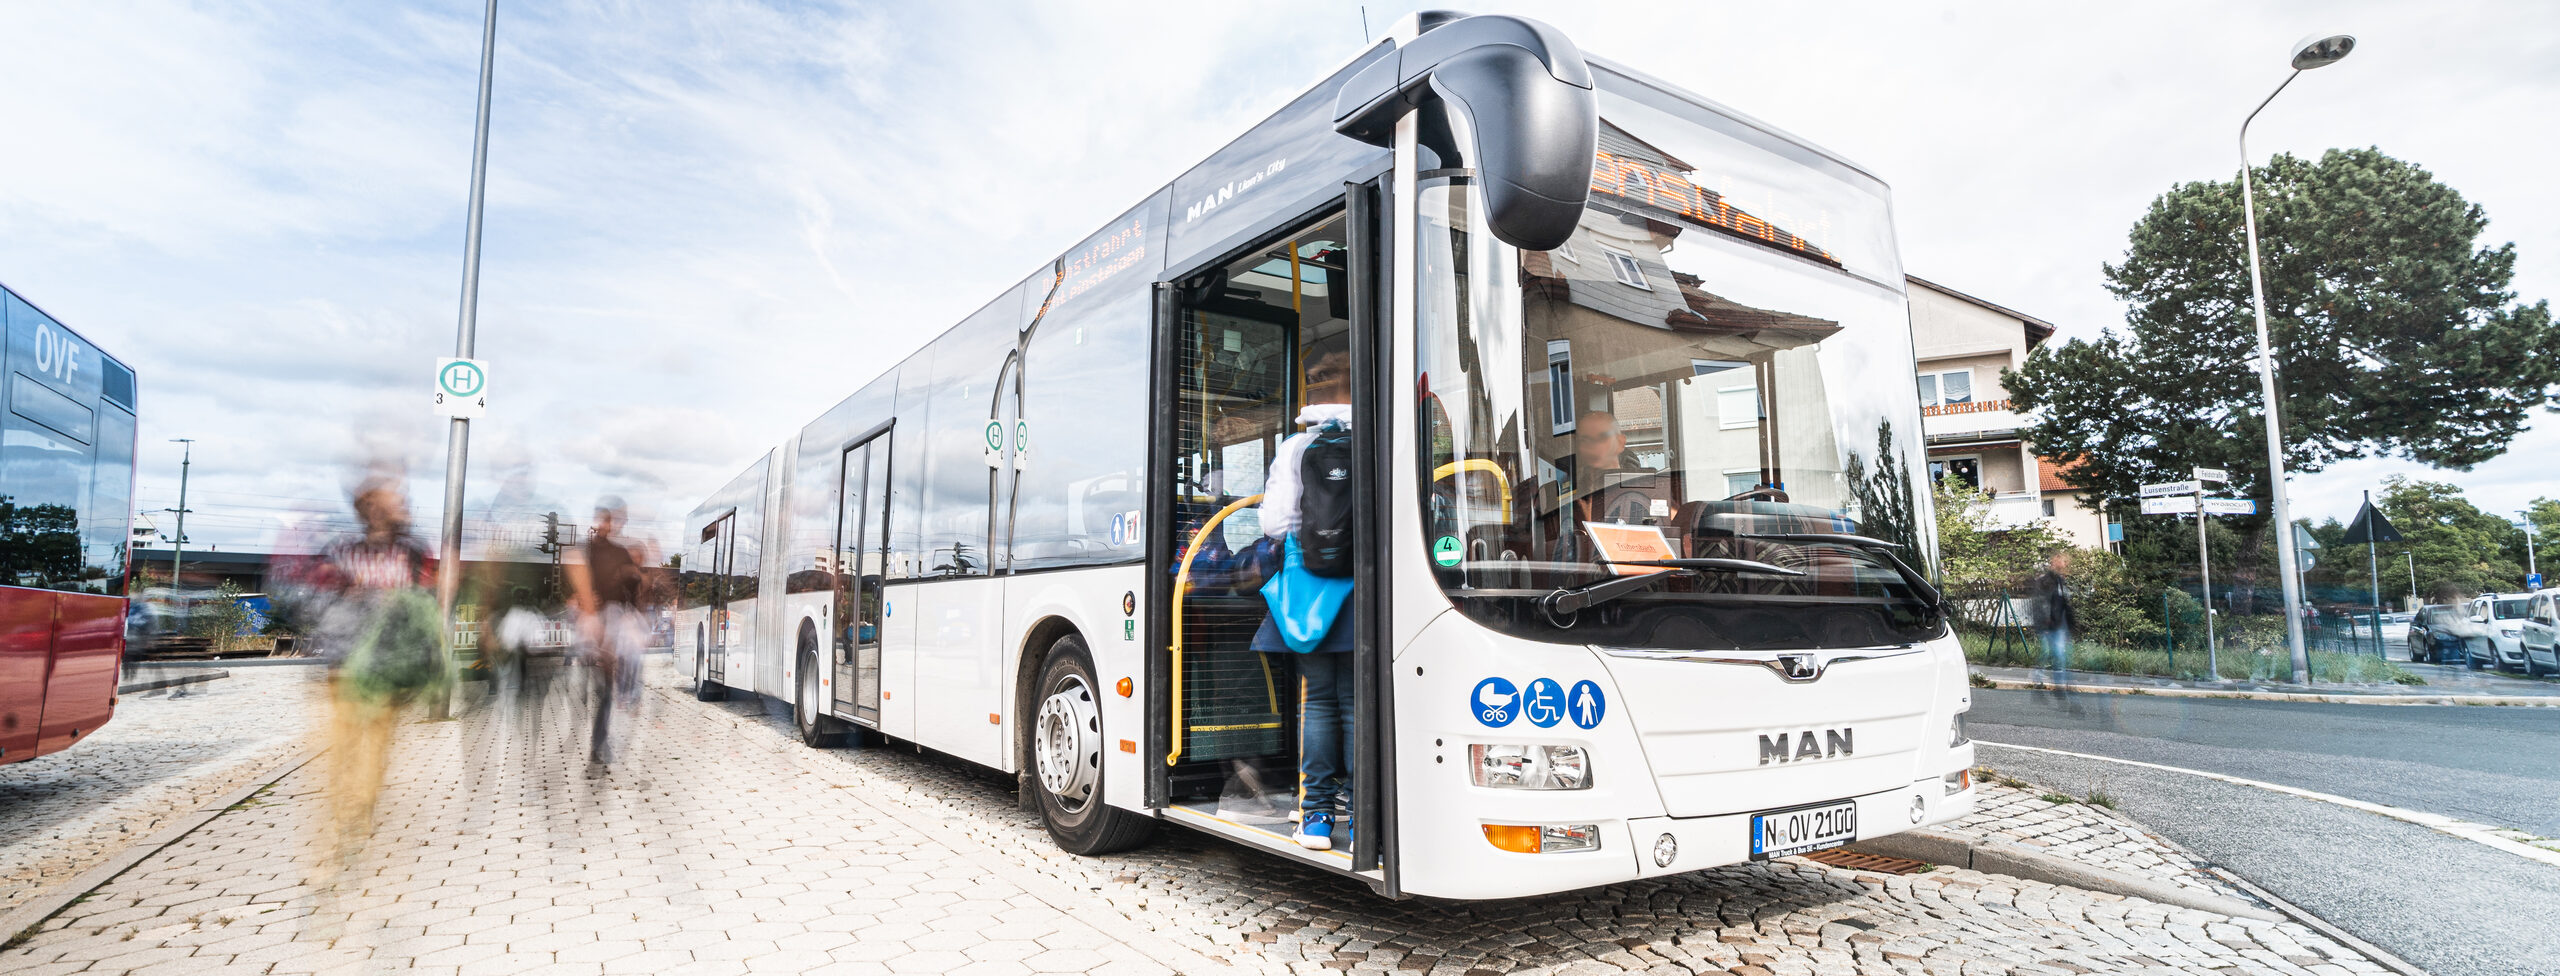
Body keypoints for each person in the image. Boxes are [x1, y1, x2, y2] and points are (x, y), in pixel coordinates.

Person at [1250, 339, 1356, 851]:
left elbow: (1275, 524)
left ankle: (1315, 818)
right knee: (1358, 705)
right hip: (1364, 587)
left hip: (1308, 588)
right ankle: (1361, 815)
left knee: (1319, 705)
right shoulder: (1380, 436)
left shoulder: (1297, 447)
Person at [310, 479, 443, 887]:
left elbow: (428, 603)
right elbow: (314, 598)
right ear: (373, 509)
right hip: (345, 663)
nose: (405, 505)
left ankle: (359, 816)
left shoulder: (414, 551)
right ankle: (340, 818)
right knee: (343, 747)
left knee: (376, 750)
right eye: (396, 501)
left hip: (386, 667)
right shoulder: (340, 550)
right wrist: (354, 598)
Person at [568, 497, 650, 772]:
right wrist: (583, 600)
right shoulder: (584, 552)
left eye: (610, 520)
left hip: (613, 621)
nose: (606, 525)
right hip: (592, 619)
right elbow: (575, 584)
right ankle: (597, 738)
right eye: (601, 520)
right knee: (599, 686)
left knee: (605, 688)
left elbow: (632, 588)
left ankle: (599, 742)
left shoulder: (620, 553)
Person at [2028, 551, 2078, 683]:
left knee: (2059, 653)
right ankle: (2039, 676)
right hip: (2047, 624)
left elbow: (2064, 604)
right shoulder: (2045, 581)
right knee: (2046, 652)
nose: (2064, 567)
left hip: (2059, 624)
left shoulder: (2060, 581)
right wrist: (2043, 622)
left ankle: (2059, 680)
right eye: (2061, 564)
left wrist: (2070, 624)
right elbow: (2040, 603)